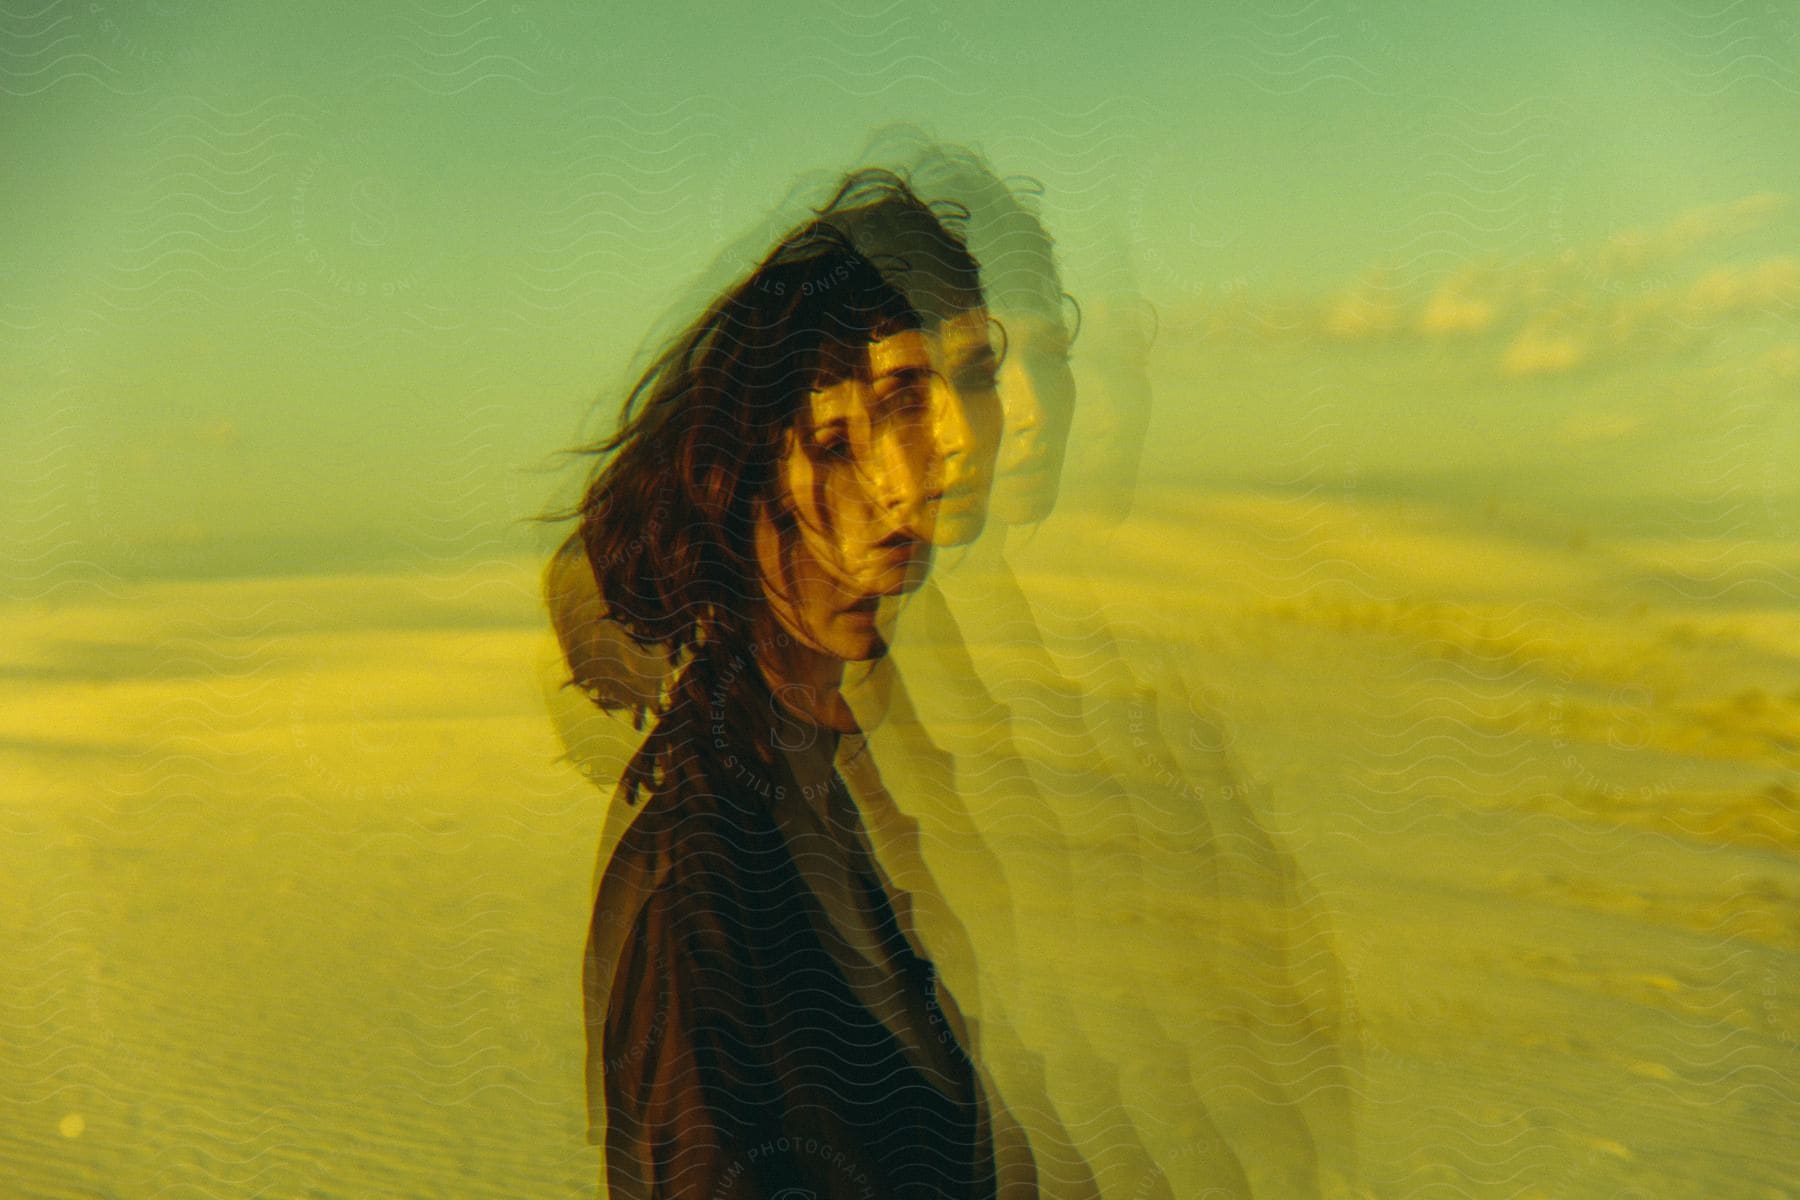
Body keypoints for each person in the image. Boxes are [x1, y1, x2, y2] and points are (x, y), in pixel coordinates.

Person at [561, 170, 1028, 1199]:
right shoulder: (710, 864)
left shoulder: (814, 786)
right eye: (849, 432)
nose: (933, 462)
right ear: (744, 476)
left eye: (963, 383)